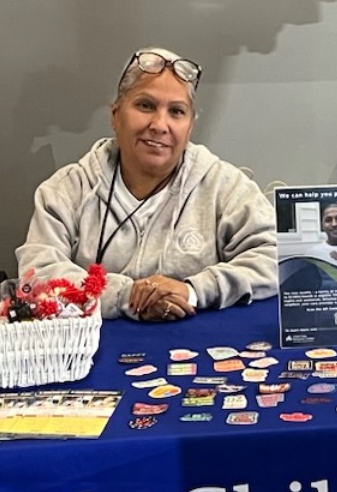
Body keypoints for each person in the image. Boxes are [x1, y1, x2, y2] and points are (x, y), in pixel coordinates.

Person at [16, 47, 276, 322]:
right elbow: (37, 275)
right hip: (90, 354)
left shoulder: (225, 186)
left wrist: (193, 291)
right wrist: (125, 296)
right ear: (115, 115)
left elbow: (275, 258)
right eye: (145, 106)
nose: (160, 125)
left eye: (176, 111)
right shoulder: (65, 190)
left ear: (190, 126)